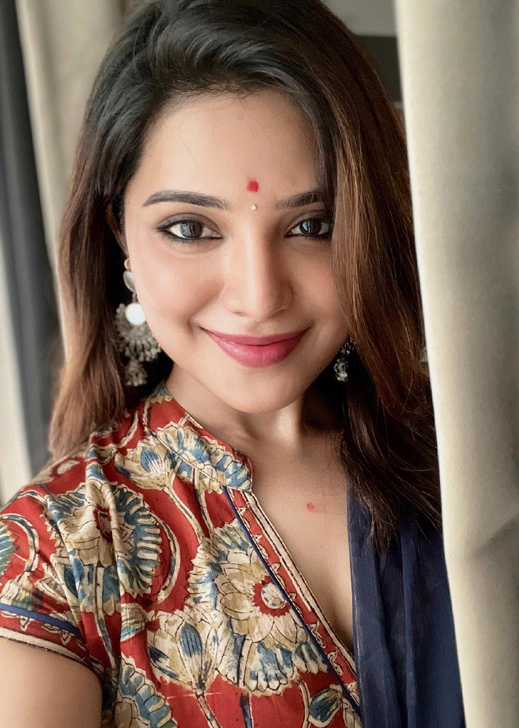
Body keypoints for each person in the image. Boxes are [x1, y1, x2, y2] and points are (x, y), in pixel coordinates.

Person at [0, 1, 465, 726]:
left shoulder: (473, 456)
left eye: (313, 225)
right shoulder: (60, 551)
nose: (258, 296)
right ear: (119, 233)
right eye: (190, 228)